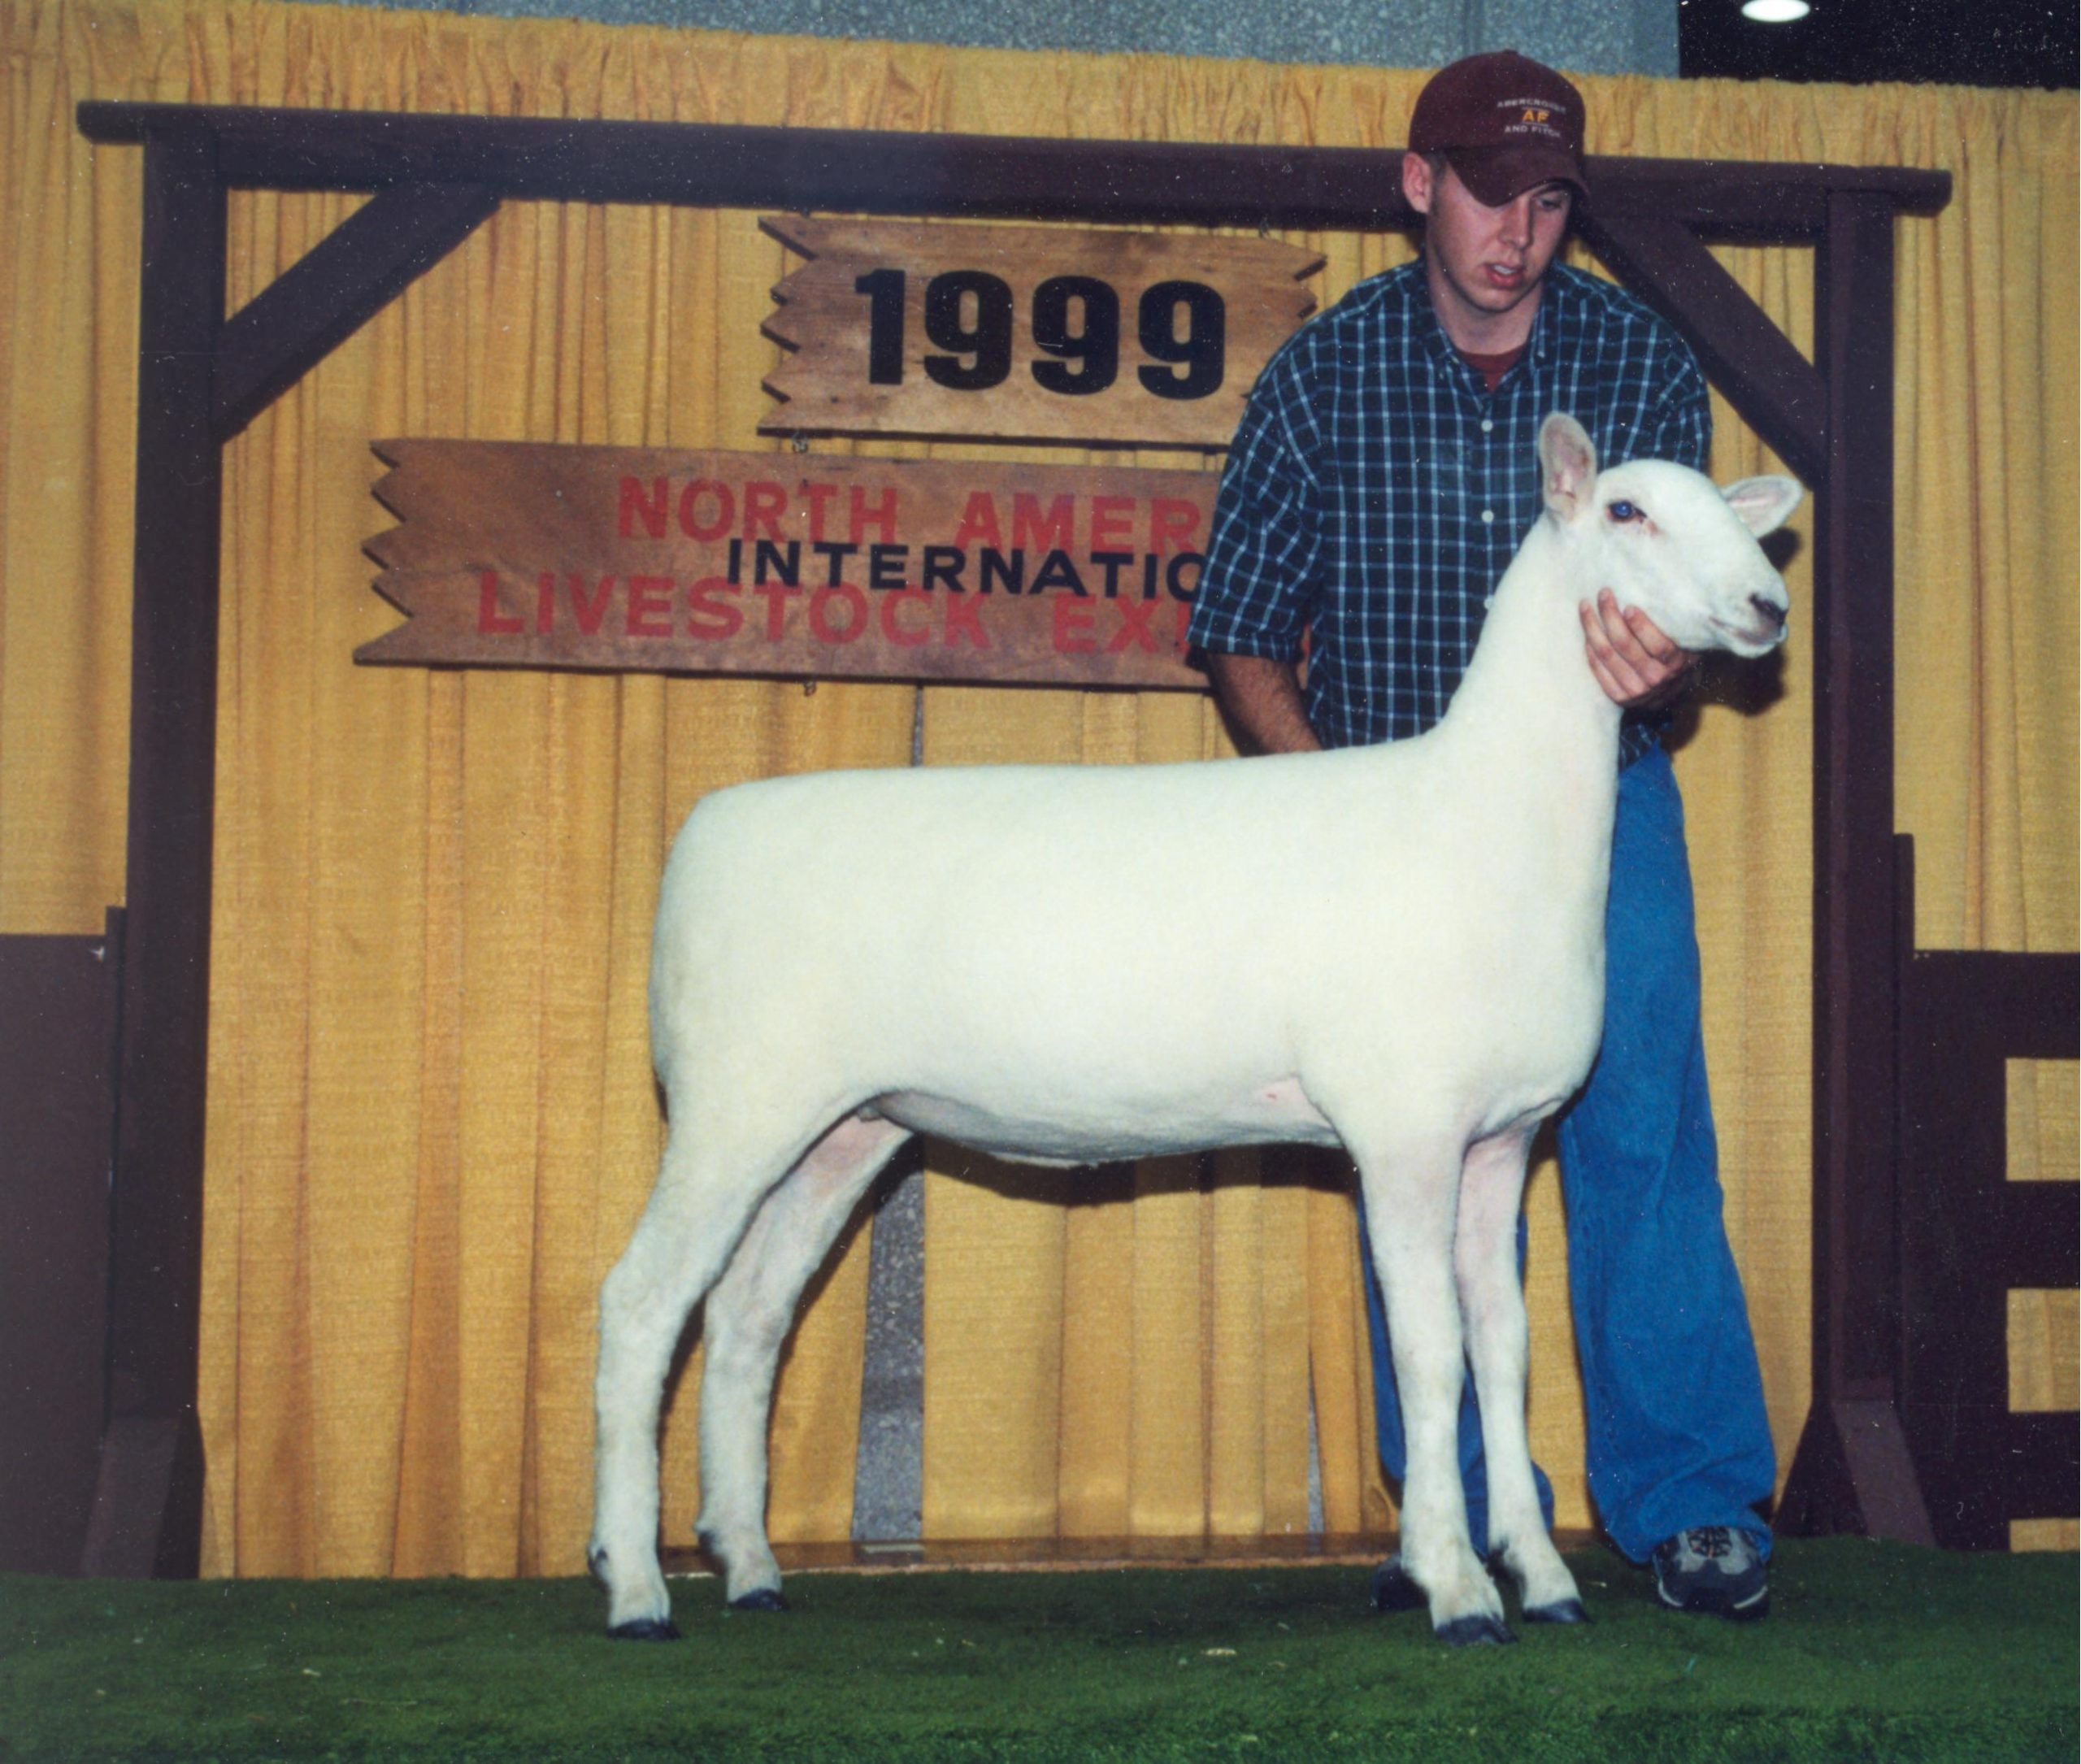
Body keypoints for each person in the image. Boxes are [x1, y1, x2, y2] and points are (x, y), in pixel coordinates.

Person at [1188, 50, 1777, 1621]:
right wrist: (1327, 812)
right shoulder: (1324, 372)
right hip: (1381, 831)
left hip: (1598, 807)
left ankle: (1693, 1505)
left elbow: (1683, 597)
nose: (1519, 231)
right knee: (1422, 1141)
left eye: (1550, 201)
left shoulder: (1636, 360)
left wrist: (1664, 668)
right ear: (1419, 185)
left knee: (1641, 1124)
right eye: (1489, 194)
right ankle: (1441, 1512)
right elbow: (1238, 625)